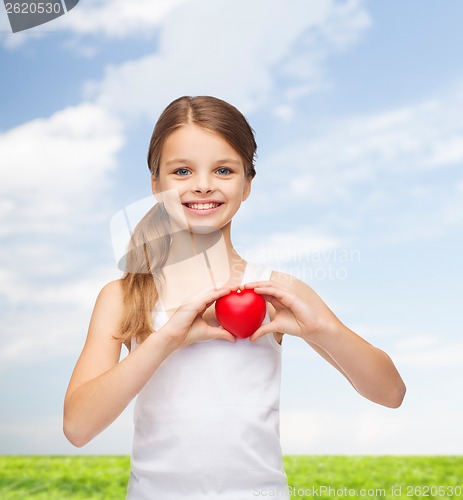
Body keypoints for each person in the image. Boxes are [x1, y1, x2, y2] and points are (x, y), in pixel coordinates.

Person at [63, 96, 406, 499]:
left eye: (223, 170)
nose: (203, 184)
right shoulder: (123, 296)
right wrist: (167, 339)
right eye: (183, 171)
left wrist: (323, 330)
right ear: (156, 185)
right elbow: (78, 428)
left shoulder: (276, 290)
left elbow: (391, 394)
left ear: (247, 185)